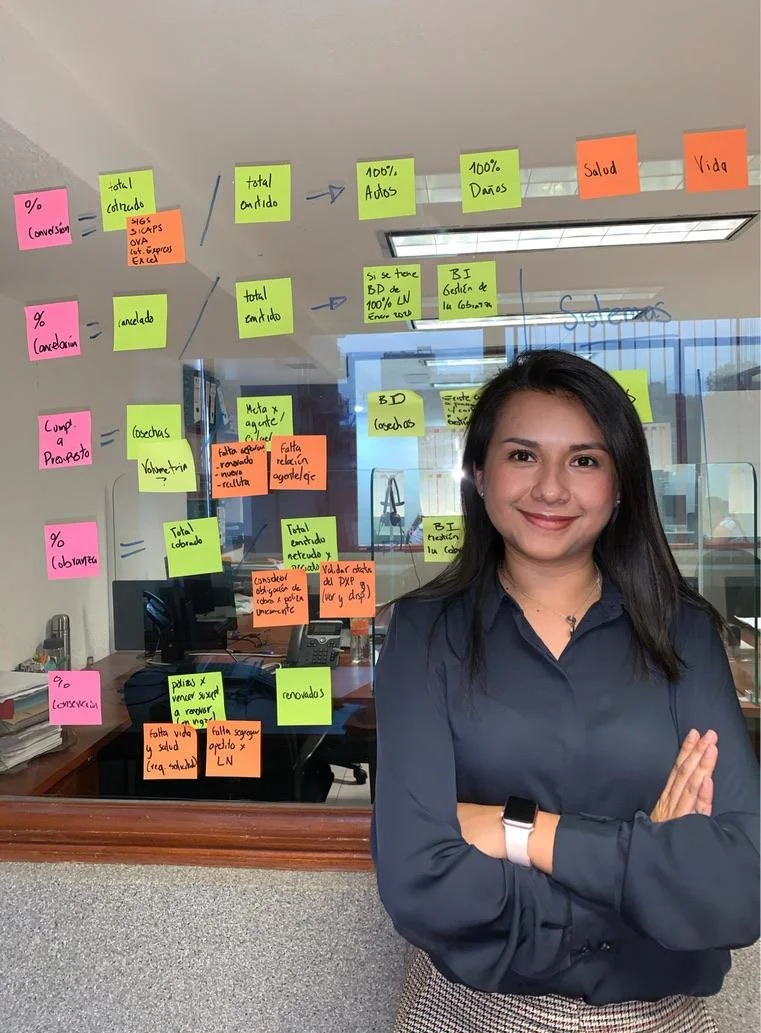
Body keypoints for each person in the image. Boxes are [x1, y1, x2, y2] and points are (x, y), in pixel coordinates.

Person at [372, 349, 759, 1033]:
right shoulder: (423, 633)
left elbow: (740, 886)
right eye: (522, 455)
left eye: (583, 460)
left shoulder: (685, 633)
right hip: (470, 1013)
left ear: (619, 486)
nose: (550, 488)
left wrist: (515, 828)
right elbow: (418, 881)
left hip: (658, 1017)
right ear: (479, 474)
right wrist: (647, 873)